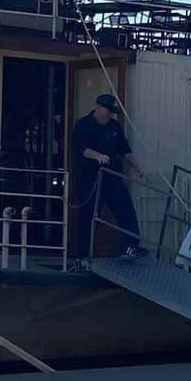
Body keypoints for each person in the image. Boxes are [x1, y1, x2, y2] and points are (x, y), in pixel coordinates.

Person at [72, 93, 143, 260]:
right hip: (90, 179)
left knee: (126, 210)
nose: (110, 114)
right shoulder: (83, 125)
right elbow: (81, 149)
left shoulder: (114, 127)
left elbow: (124, 150)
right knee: (87, 216)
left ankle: (130, 247)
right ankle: (83, 255)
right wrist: (96, 155)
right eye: (107, 110)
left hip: (111, 177)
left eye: (112, 111)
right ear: (97, 108)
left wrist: (136, 168)